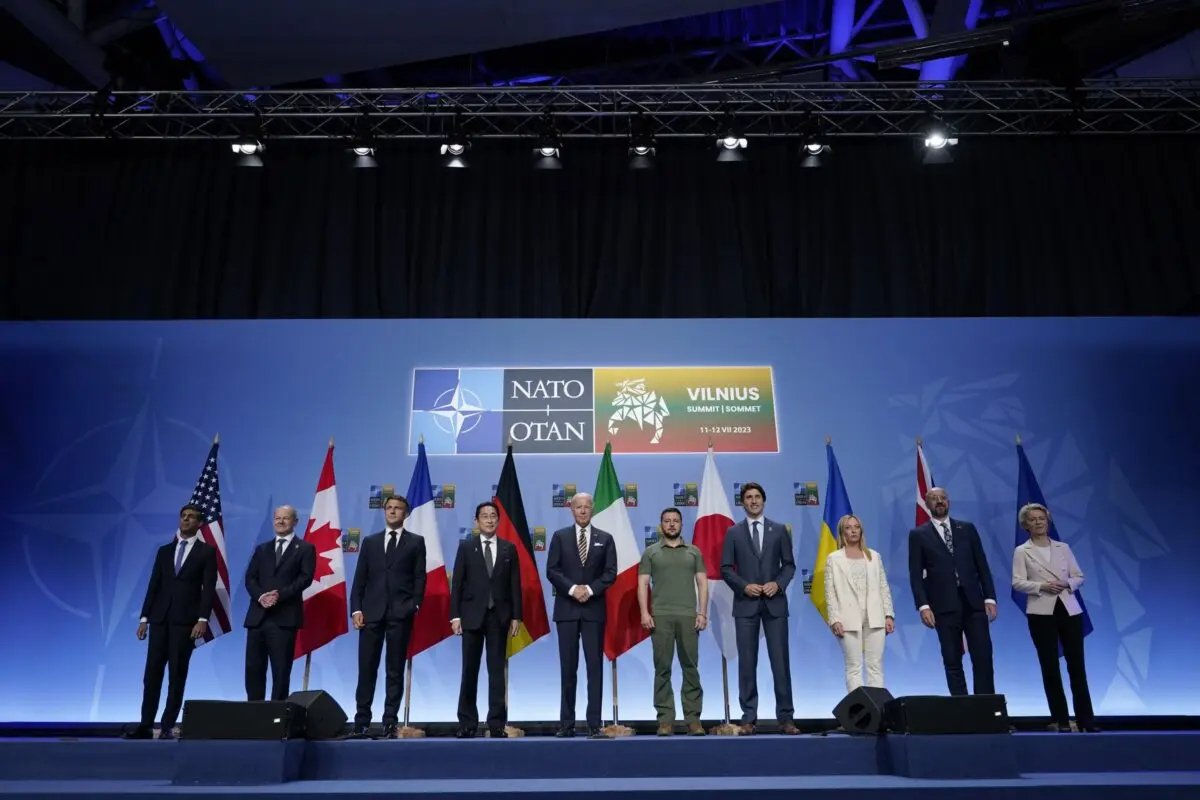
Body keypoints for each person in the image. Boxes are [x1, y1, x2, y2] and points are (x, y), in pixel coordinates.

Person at [125, 504, 218, 740]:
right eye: (183, 516)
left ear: (199, 524)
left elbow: (209, 589)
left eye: (191, 517)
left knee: (176, 675)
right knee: (151, 675)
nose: (186, 520)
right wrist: (144, 618)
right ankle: (146, 725)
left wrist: (202, 619)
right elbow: (153, 586)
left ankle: (167, 725)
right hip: (159, 621)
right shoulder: (164, 551)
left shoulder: (206, 552)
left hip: (186, 623)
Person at [720, 482, 800, 735]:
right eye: (748, 497)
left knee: (780, 662)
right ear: (742, 502)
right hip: (746, 606)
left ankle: (786, 718)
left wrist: (778, 584)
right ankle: (748, 718)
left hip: (775, 605)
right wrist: (744, 587)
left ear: (763, 501)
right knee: (747, 663)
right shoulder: (733, 532)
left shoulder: (778, 530)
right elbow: (725, 569)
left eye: (757, 497)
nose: (753, 501)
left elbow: (789, 565)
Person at [1012, 502, 1098, 732]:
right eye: (1033, 519)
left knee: (1077, 666)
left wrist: (1067, 583)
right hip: (1041, 613)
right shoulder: (1022, 551)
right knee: (1050, 666)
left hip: (1069, 610)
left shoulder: (1063, 547)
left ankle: (1086, 720)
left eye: (1042, 518)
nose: (1038, 522)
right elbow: (1017, 582)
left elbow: (1079, 576)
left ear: (1048, 521)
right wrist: (1041, 586)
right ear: (1025, 525)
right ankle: (1061, 720)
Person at [349, 494, 426, 739]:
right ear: (384, 512)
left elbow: (419, 577)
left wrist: (413, 606)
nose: (393, 512)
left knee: (394, 670)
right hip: (371, 614)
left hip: (400, 614)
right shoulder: (370, 542)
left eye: (398, 509)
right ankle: (361, 720)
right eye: (389, 508)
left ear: (405, 513)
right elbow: (360, 578)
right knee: (367, 669)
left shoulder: (416, 542)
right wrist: (357, 609)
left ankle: (389, 722)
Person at [908, 487, 997, 696]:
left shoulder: (967, 529)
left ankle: (984, 707)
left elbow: (982, 565)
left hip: (974, 603)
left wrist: (990, 597)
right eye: (934, 499)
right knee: (952, 658)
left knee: (983, 656)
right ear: (927, 504)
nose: (939, 502)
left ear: (948, 502)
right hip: (943, 606)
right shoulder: (918, 535)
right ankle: (962, 708)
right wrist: (923, 605)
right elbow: (915, 574)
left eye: (943, 498)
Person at [545, 492, 617, 739]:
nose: (583, 511)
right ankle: (567, 724)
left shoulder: (605, 539)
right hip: (567, 611)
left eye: (587, 507)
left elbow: (610, 572)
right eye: (579, 507)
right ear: (571, 509)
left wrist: (590, 589)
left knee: (594, 668)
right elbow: (552, 570)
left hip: (594, 610)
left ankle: (595, 724)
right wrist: (573, 589)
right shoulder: (559, 537)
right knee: (568, 669)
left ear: (592, 509)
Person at [450, 501, 522, 739]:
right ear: (476, 521)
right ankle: (467, 723)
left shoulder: (508, 549)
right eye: (484, 516)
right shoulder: (466, 547)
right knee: (469, 671)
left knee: (496, 673)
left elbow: (514, 586)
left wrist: (516, 617)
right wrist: (455, 616)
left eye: (493, 516)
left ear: (498, 520)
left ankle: (496, 724)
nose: (489, 520)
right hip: (471, 617)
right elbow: (457, 584)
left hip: (498, 617)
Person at [638, 507, 709, 736]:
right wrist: (644, 613)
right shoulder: (651, 552)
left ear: (681, 525)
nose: (671, 525)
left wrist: (702, 612)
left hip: (689, 616)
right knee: (662, 669)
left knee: (690, 668)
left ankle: (693, 720)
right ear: (661, 526)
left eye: (675, 521)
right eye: (667, 521)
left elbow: (703, 583)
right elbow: (642, 584)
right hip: (660, 617)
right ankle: (665, 720)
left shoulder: (694, 552)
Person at [243, 505, 316, 703]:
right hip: (258, 618)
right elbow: (250, 578)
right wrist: (261, 597)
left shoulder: (305, 549)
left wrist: (279, 595)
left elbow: (305, 578)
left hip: (284, 619)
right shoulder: (262, 549)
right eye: (277, 518)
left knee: (281, 670)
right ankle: (253, 712)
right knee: (253, 669)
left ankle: (276, 716)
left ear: (295, 522)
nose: (281, 522)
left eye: (286, 518)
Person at [823, 514, 895, 692]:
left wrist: (888, 615)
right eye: (848, 527)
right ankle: (858, 715)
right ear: (842, 532)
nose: (853, 531)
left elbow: (883, 586)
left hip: (875, 616)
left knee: (875, 666)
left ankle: (878, 713)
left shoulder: (874, 556)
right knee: (854, 667)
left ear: (861, 530)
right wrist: (834, 620)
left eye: (856, 527)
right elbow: (830, 592)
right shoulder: (834, 558)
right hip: (847, 619)